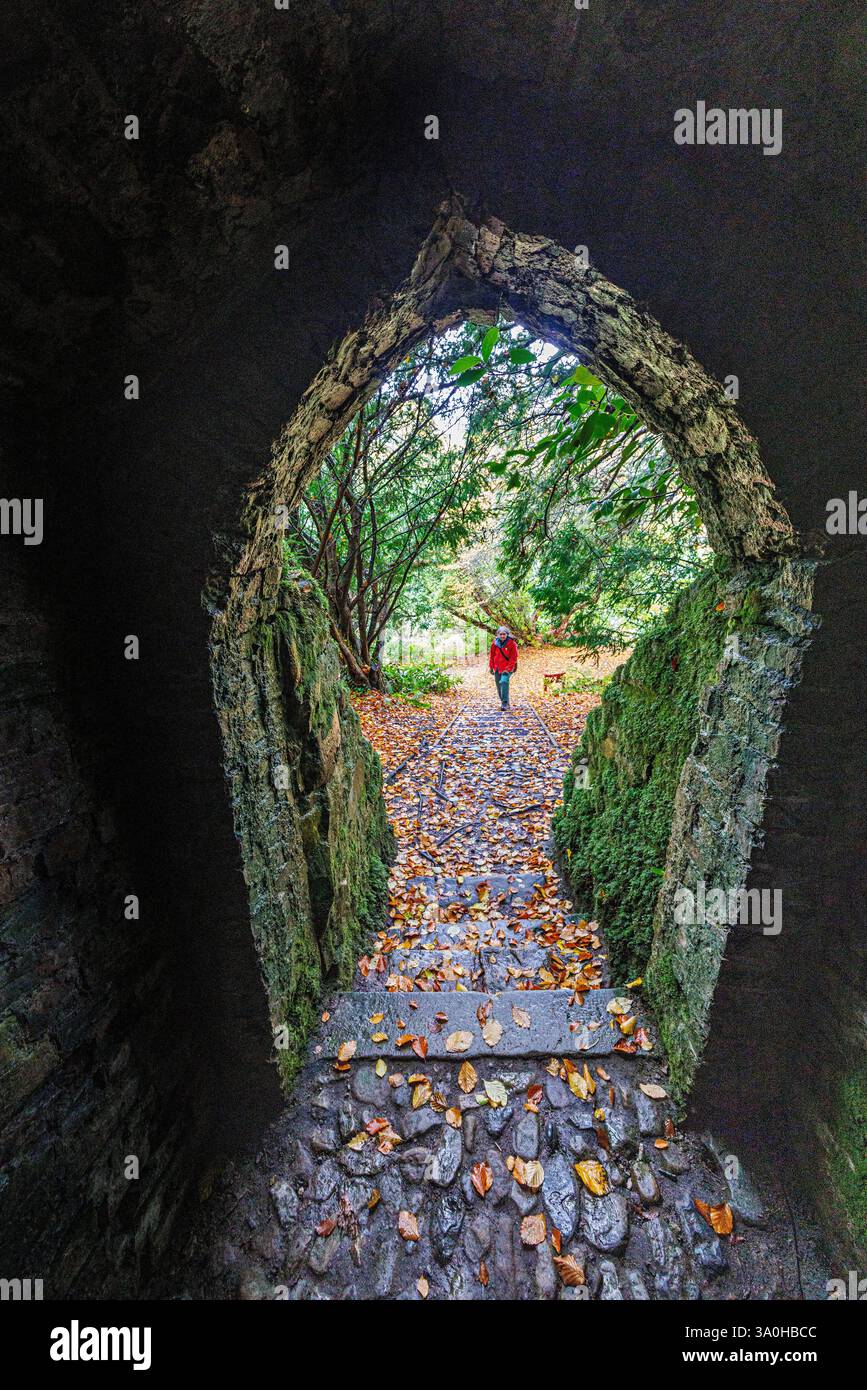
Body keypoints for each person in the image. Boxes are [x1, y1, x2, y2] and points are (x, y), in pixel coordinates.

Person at [489, 625, 518, 709]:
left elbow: (513, 658)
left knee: (504, 681)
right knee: (499, 685)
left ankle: (504, 703)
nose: (502, 636)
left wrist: (508, 669)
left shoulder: (512, 644)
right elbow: (492, 655)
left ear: (507, 634)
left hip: (507, 668)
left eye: (504, 634)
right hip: (497, 667)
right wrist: (491, 667)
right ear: (498, 635)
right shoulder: (495, 643)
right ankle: (505, 701)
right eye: (500, 634)